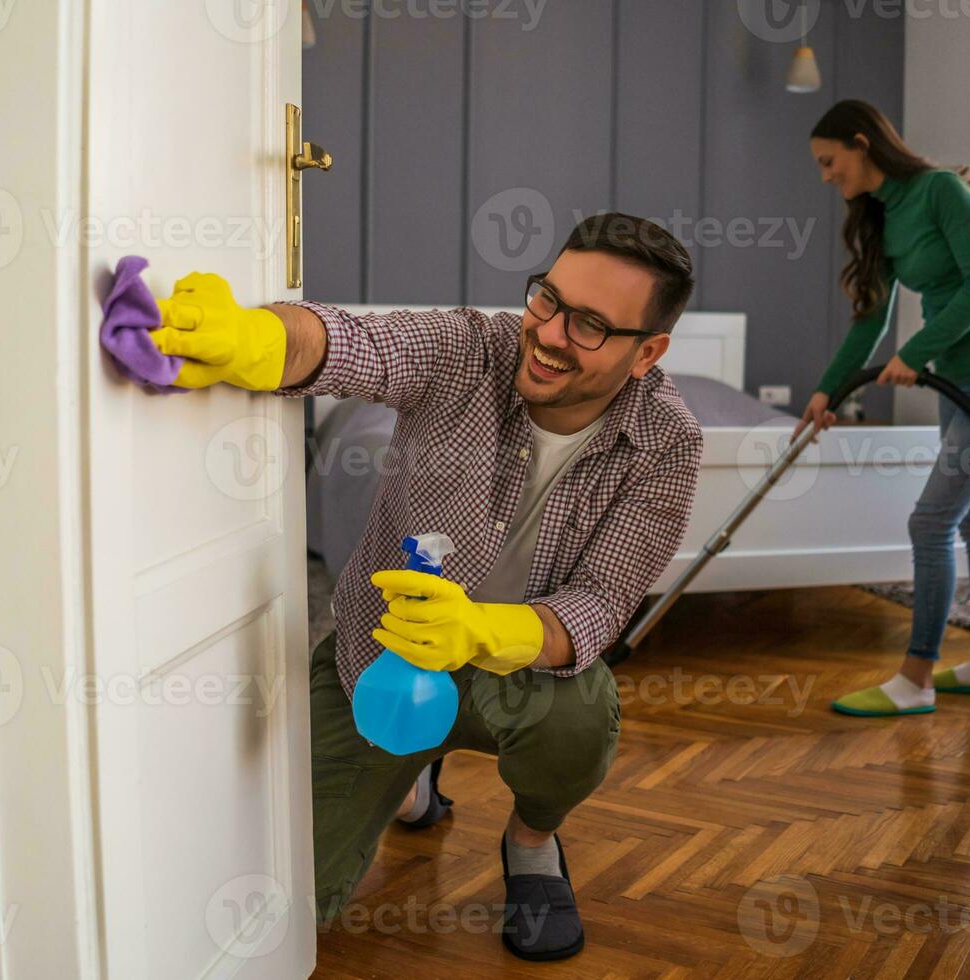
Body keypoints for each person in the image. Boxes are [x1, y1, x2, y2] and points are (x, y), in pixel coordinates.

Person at [146, 213, 703, 960]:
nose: (550, 333)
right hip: (383, 662)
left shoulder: (669, 442)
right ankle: (413, 775)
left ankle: (532, 841)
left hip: (522, 672)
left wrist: (481, 630)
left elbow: (602, 602)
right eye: (548, 299)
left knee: (581, 712)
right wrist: (255, 338)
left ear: (649, 352)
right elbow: (353, 344)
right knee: (282, 903)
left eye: (592, 325)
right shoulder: (471, 348)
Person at [793, 99, 970, 718]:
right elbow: (870, 319)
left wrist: (918, 350)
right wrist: (829, 390)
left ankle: (916, 678)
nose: (825, 175)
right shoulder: (881, 216)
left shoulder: (940, 191)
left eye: (829, 161)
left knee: (930, 524)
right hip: (957, 385)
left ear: (861, 143)